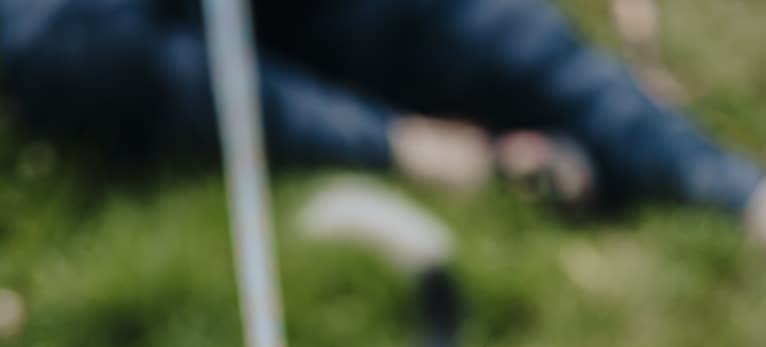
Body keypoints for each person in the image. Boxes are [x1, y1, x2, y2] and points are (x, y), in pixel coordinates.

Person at [1, 0, 764, 242]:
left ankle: (711, 177)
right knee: (77, 49)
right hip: (107, 28)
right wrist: (394, 143)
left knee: (494, 40)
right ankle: (419, 141)